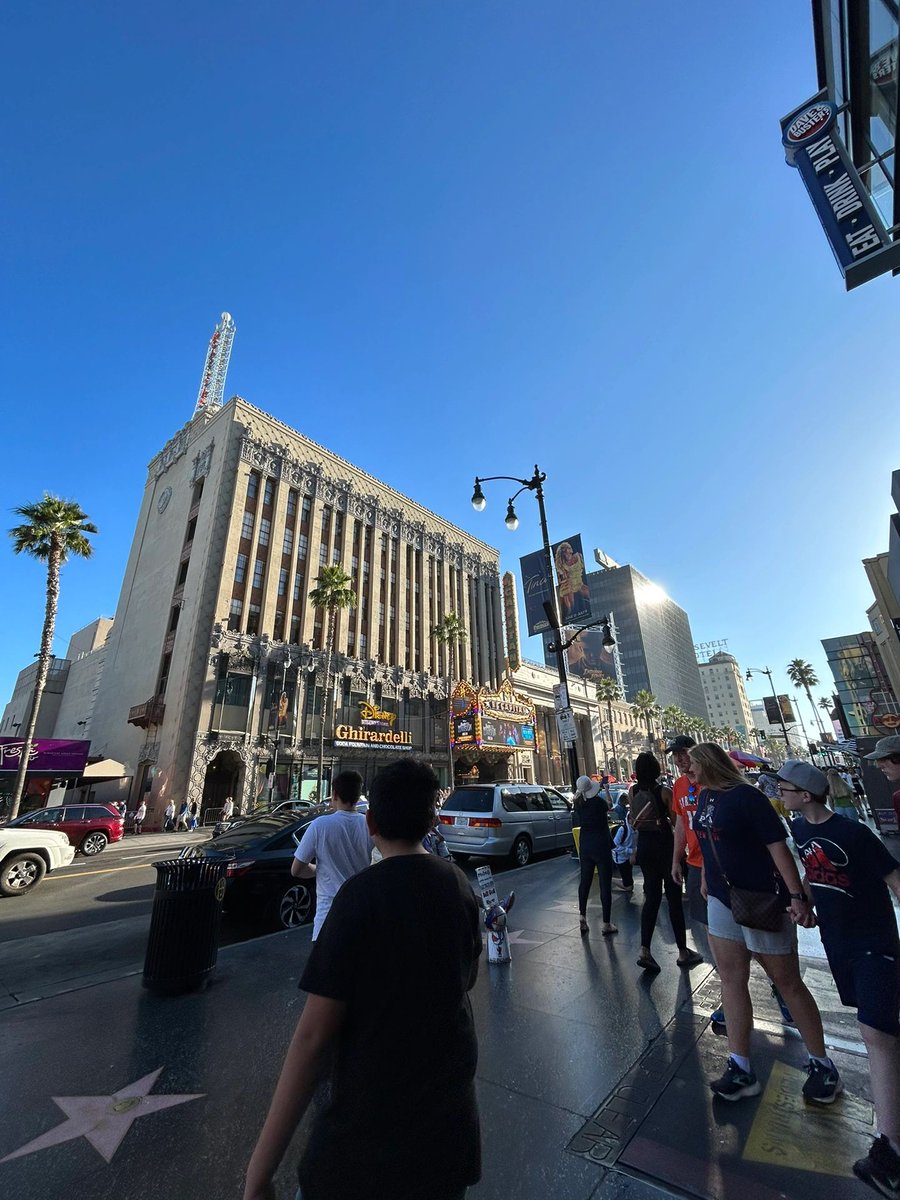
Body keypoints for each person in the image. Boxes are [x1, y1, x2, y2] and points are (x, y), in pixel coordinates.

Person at [243, 757, 482, 1200]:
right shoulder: (457, 884)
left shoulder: (358, 900)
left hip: (364, 1146)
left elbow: (312, 1039)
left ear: (370, 822)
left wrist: (259, 1173)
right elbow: (466, 980)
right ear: (432, 819)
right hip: (447, 1135)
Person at [689, 743, 841, 1104]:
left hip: (760, 898)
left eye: (693, 764)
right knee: (730, 978)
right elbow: (708, 840)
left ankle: (821, 1063)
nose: (687, 770)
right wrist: (708, 876)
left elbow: (777, 848)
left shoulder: (747, 797)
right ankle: (740, 1066)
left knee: (786, 982)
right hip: (722, 901)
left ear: (710, 764)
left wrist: (796, 896)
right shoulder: (706, 796)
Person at [778, 758, 900, 1198]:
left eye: (785, 787)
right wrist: (804, 902)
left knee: (875, 1034)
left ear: (805, 794)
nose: (780, 792)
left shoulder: (854, 833)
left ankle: (891, 1152)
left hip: (874, 942)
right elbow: (815, 876)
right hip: (838, 942)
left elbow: (893, 878)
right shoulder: (802, 831)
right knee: (880, 1030)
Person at [631, 752, 703, 972]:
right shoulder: (664, 792)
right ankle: (682, 951)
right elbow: (677, 822)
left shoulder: (633, 791)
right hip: (665, 848)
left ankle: (644, 949)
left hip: (644, 847)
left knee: (651, 897)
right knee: (673, 899)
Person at [292, 770, 374, 941]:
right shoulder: (368, 825)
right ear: (358, 796)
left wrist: (317, 869)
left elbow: (296, 870)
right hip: (362, 913)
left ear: (334, 794)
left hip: (327, 918)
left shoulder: (320, 825)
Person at [573, 775, 617, 936]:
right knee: (605, 884)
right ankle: (606, 923)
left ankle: (582, 916)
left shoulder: (578, 803)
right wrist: (606, 791)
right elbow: (610, 805)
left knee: (585, 881)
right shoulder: (598, 802)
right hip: (601, 845)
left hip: (585, 845)